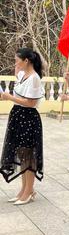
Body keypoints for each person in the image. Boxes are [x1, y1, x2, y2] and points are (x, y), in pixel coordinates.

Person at [0, 48, 45, 204]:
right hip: (18, 116)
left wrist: (9, 97)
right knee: (21, 153)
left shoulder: (34, 78)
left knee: (28, 156)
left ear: (27, 61)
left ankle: (28, 192)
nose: (15, 62)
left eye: (17, 60)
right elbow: (19, 89)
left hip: (28, 118)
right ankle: (26, 190)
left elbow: (31, 103)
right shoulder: (21, 75)